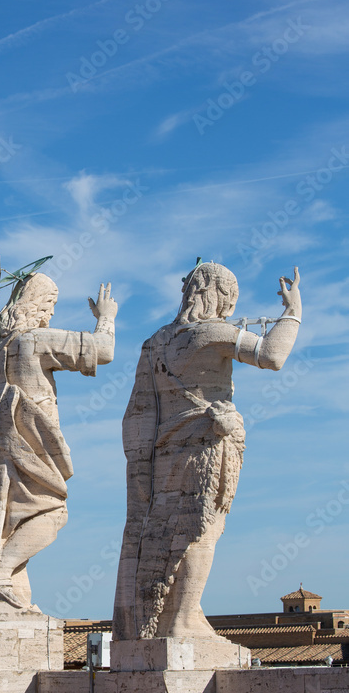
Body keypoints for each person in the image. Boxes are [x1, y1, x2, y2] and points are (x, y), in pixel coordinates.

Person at [113, 262, 302, 641]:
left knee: (168, 533)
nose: (231, 308)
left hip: (161, 452)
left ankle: (177, 615)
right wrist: (293, 310)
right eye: (230, 298)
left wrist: (139, 466)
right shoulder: (213, 333)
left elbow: (137, 411)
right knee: (203, 529)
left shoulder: (154, 342)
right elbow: (272, 355)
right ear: (220, 296)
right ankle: (182, 619)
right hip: (206, 444)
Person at [0, 273, 118, 609]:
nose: (50, 313)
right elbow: (103, 350)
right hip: (24, 447)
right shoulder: (33, 340)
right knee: (53, 511)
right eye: (50, 304)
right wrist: (106, 317)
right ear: (36, 303)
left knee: (3, 525)